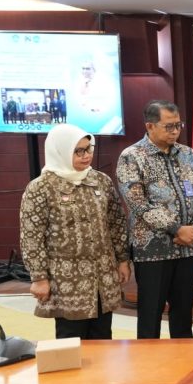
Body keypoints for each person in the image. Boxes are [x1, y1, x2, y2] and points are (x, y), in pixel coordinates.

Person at [20, 124, 131, 339]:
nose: (86, 155)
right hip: (66, 280)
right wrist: (39, 277)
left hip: (102, 276)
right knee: (71, 340)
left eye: (88, 149)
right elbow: (31, 236)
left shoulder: (100, 181)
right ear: (60, 151)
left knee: (102, 338)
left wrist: (122, 259)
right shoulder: (41, 187)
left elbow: (116, 222)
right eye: (78, 151)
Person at [116, 100, 193, 339]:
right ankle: (150, 362)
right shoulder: (132, 157)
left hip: (188, 248)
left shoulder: (187, 154)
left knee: (183, 315)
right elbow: (138, 203)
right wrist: (177, 229)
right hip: (153, 252)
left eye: (178, 125)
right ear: (150, 126)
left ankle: (183, 360)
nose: (175, 131)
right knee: (151, 315)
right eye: (169, 126)